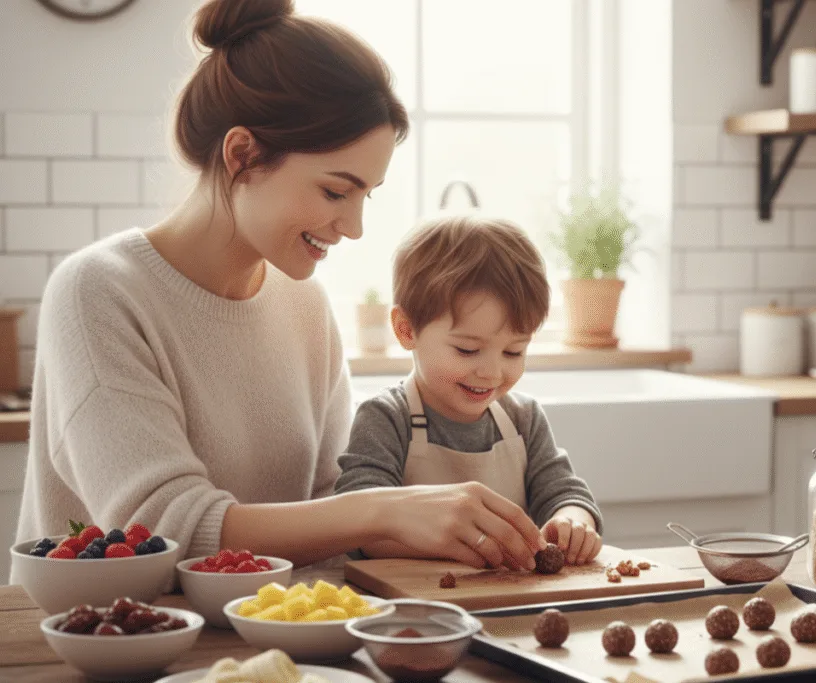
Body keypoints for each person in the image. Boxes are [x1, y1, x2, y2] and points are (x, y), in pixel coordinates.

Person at [12, 0, 547, 584]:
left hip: (268, 644)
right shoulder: (100, 292)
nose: (354, 226)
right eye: (335, 191)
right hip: (110, 648)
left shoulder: (305, 307)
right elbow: (160, 532)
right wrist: (383, 511)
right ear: (243, 154)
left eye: (366, 195)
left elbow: (326, 511)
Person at [335, 216, 604, 567]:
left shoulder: (523, 419)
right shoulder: (386, 418)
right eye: (466, 350)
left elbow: (564, 492)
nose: (492, 372)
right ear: (406, 329)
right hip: (414, 606)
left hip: (507, 608)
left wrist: (573, 521)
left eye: (514, 352)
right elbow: (359, 523)